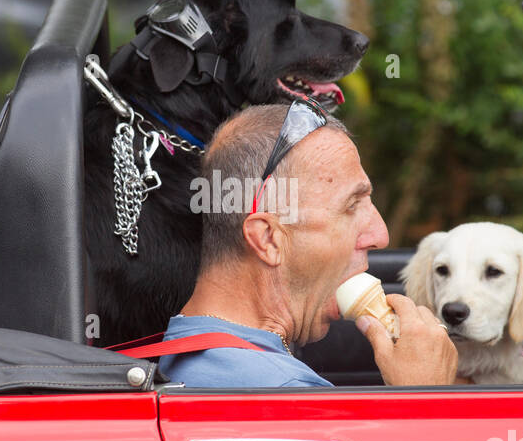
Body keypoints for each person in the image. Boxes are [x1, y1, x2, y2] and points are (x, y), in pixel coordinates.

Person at [161, 100, 458, 387]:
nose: (380, 235)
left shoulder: (177, 350)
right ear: (268, 238)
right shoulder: (286, 392)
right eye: (351, 206)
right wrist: (426, 393)